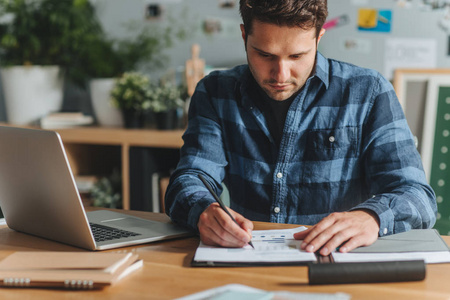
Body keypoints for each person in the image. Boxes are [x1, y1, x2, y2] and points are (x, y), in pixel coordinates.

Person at [165, 0, 437, 256]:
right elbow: (190, 177)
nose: (280, 75)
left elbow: (417, 196)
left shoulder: (369, 92)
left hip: (336, 267)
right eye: (264, 54)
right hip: (247, 261)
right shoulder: (215, 92)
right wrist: (204, 209)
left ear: (319, 38)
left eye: (297, 56)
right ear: (244, 34)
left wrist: (372, 218)